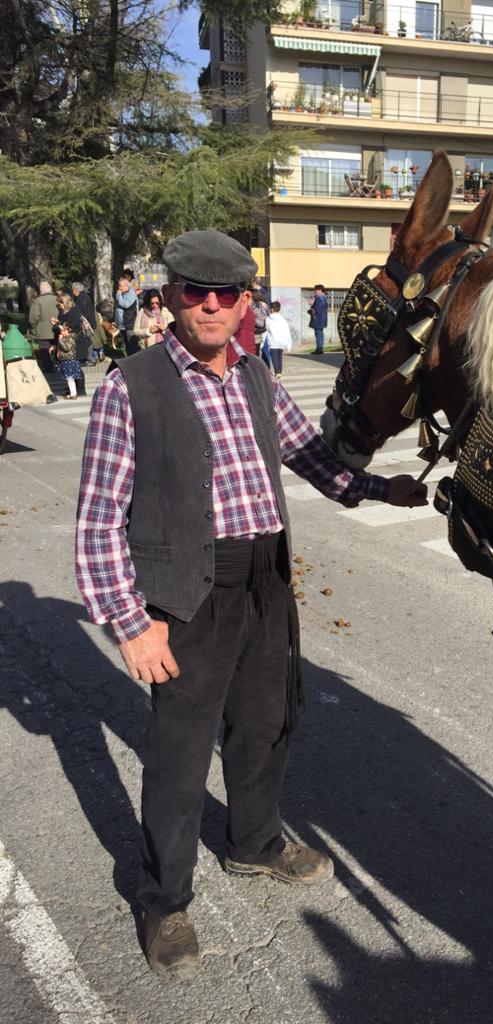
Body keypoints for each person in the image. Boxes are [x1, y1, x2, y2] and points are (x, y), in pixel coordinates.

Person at [75, 228, 428, 979]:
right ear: (168, 298)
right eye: (194, 292)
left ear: (245, 303)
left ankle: (254, 843)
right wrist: (132, 624)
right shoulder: (129, 388)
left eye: (225, 293)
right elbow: (98, 520)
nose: (209, 306)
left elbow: (313, 458)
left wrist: (380, 488)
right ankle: (164, 899)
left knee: (266, 723)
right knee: (177, 752)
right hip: (187, 594)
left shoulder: (258, 381)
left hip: (265, 579)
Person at [28, 281, 59, 373]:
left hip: (43, 331)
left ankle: (48, 368)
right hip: (57, 328)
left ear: (41, 291)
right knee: (58, 347)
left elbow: (34, 317)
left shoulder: (38, 301)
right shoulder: (57, 299)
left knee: (44, 350)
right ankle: (60, 365)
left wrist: (33, 329)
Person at [51, 320, 84, 399]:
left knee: (70, 379)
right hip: (64, 360)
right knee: (68, 379)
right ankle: (71, 393)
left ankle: (73, 394)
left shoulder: (71, 338)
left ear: (68, 330)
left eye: (63, 331)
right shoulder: (65, 337)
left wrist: (60, 340)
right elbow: (62, 348)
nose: (61, 332)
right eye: (61, 330)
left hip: (70, 360)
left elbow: (67, 348)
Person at [72, 282, 98, 363]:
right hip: (86, 323)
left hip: (86, 323)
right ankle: (87, 358)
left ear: (76, 290)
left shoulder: (83, 298)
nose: (72, 291)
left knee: (87, 341)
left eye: (73, 289)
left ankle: (91, 359)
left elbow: (83, 312)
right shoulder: (82, 297)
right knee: (85, 340)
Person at [264, 301, 291, 378]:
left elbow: (266, 328)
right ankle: (280, 371)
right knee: (279, 356)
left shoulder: (269, 319)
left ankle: (276, 371)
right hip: (282, 341)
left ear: (272, 309)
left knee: (274, 357)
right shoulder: (283, 319)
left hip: (273, 340)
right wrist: (288, 343)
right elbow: (287, 331)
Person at [115, 276, 140, 354]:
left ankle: (135, 361)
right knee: (126, 345)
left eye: (120, 286)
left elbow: (126, 304)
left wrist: (119, 296)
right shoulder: (122, 293)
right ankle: (129, 361)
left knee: (132, 345)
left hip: (130, 324)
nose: (119, 288)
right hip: (123, 324)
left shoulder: (132, 294)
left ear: (126, 286)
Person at [308, 284, 328, 354]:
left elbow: (316, 310)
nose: (315, 291)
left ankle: (319, 349)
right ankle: (319, 349)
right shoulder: (322, 298)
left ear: (320, 290)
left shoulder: (320, 299)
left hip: (318, 320)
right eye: (315, 290)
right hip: (321, 320)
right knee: (319, 334)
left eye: (316, 290)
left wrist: (311, 305)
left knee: (318, 334)